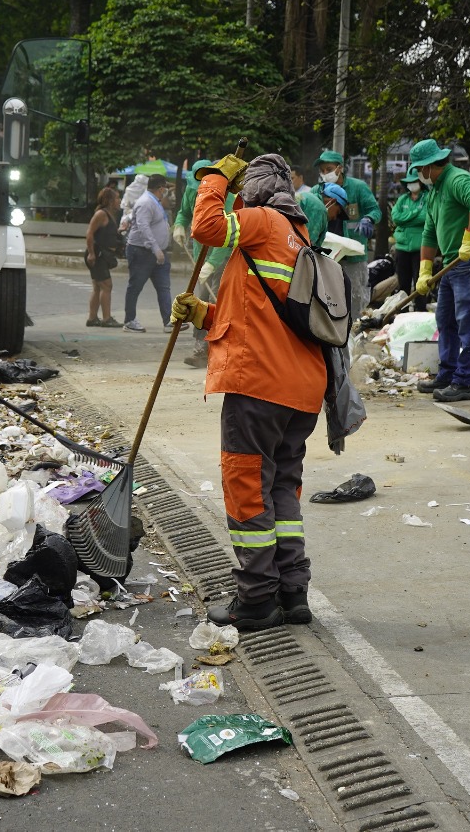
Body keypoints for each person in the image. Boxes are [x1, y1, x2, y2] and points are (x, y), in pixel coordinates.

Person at [172, 153, 325, 632]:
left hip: (259, 386)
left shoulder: (261, 221)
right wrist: (203, 314)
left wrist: (215, 179)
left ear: (255, 189)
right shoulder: (298, 236)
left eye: (244, 189)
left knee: (248, 490)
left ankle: (257, 599)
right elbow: (256, 317)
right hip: (300, 389)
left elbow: (206, 227)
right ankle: (292, 592)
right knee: (281, 489)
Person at [410, 139, 470, 403]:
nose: (418, 175)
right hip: (450, 264)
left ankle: (465, 382)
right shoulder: (434, 191)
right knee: (445, 320)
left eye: (419, 170)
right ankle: (447, 374)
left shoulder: (456, 179)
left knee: (467, 322)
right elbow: (428, 233)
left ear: (428, 166)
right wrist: (425, 271)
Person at [172, 160, 235, 368]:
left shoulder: (226, 197)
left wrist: (212, 264)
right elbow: (184, 212)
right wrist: (179, 225)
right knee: (200, 301)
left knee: (219, 301)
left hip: (224, 256)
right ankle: (200, 348)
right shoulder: (192, 190)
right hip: (201, 254)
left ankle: (218, 348)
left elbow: (226, 235)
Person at [315, 150, 381, 318]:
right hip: (327, 253)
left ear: (340, 168)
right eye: (322, 170)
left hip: (353, 254)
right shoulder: (317, 191)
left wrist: (368, 219)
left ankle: (353, 327)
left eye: (329, 169)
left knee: (355, 295)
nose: (325, 173)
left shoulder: (357, 188)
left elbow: (375, 210)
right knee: (327, 295)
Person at [122, 174, 173, 332]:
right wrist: (155, 248)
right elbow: (143, 227)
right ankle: (129, 320)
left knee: (164, 287)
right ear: (160, 188)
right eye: (165, 188)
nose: (166, 191)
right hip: (142, 251)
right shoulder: (146, 202)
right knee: (135, 286)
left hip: (158, 252)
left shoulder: (154, 201)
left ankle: (169, 321)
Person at [83, 187, 123, 328]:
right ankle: (107, 319)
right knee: (106, 285)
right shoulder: (101, 214)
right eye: (117, 198)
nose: (119, 201)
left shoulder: (111, 215)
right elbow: (89, 234)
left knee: (97, 287)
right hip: (98, 255)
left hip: (103, 255)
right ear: (110, 200)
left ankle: (92, 318)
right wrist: (91, 253)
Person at [390, 168, 429, 311]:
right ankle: (402, 311)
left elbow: (425, 217)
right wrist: (415, 212)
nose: (412, 184)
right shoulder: (403, 199)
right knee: (403, 283)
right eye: (409, 182)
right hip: (402, 247)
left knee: (420, 283)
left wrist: (405, 219)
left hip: (420, 247)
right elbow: (395, 217)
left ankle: (420, 311)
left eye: (415, 181)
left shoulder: (427, 197)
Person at [289, 166, 327, 248]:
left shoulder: (309, 193)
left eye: (292, 178)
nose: (289, 181)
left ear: (300, 177)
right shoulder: (287, 193)